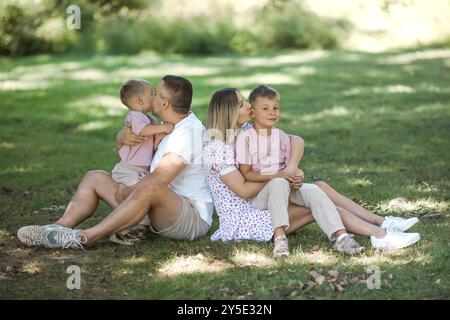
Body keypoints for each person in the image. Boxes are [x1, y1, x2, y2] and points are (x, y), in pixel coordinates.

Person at [202, 87, 420, 258]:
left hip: (267, 197)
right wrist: (281, 176)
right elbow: (244, 191)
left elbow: (294, 140)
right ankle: (380, 236)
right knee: (320, 204)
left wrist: (291, 168)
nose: (250, 106)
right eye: (242, 103)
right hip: (245, 218)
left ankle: (382, 222)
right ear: (229, 112)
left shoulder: (247, 130)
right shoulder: (216, 147)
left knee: (320, 188)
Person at [17, 75, 213, 249]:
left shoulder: (189, 132)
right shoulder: (166, 126)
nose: (150, 96)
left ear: (164, 104)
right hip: (156, 205)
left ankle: (83, 238)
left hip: (189, 216)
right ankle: (58, 228)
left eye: (155, 93)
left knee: (151, 186)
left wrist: (127, 192)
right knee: (94, 177)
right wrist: (121, 137)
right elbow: (133, 154)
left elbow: (160, 179)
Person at [109, 79, 174, 245]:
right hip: (129, 169)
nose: (154, 97)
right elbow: (141, 131)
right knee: (137, 196)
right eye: (152, 93)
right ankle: (124, 230)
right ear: (139, 99)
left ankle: (136, 225)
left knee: (139, 195)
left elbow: (149, 144)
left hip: (139, 170)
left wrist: (158, 138)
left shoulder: (147, 119)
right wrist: (164, 128)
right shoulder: (136, 116)